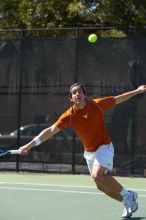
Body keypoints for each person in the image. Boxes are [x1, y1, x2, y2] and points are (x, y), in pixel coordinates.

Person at [19, 83, 146, 218]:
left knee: (97, 175)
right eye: (74, 93)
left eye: (80, 92)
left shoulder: (96, 105)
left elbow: (118, 99)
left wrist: (137, 91)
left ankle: (128, 194)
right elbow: (50, 130)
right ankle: (127, 201)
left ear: (85, 95)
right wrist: (29, 145)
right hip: (89, 152)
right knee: (100, 185)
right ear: (71, 99)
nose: (77, 94)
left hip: (104, 146)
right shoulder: (69, 115)